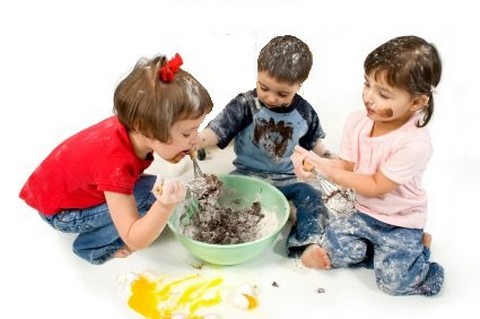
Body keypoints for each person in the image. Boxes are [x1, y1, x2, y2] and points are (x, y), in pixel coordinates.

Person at [19, 53, 213, 265]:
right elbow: (135, 238)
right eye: (187, 134)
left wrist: (183, 143)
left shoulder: (131, 129)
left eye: (196, 130)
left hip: (55, 193)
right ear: (145, 129)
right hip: (62, 214)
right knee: (151, 198)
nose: (194, 139)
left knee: (151, 189)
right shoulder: (115, 165)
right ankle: (93, 247)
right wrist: (164, 206)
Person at [291, 35, 444, 296]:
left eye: (383, 94)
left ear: (417, 102)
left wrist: (326, 168)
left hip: (400, 222)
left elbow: (375, 187)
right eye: (367, 84)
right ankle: (379, 252)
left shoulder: (414, 143)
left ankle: (421, 262)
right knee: (333, 247)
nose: (369, 98)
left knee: (393, 284)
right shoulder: (357, 122)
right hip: (363, 213)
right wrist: (312, 165)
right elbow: (347, 166)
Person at [197, 35, 331, 260]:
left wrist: (328, 158)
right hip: (247, 177)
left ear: (299, 85)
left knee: (313, 197)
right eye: (264, 87)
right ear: (257, 75)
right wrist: (197, 140)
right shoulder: (246, 104)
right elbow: (218, 130)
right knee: (213, 192)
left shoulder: (304, 112)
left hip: (286, 179)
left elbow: (315, 142)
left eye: (283, 94)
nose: (271, 98)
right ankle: (220, 239)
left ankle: (305, 245)